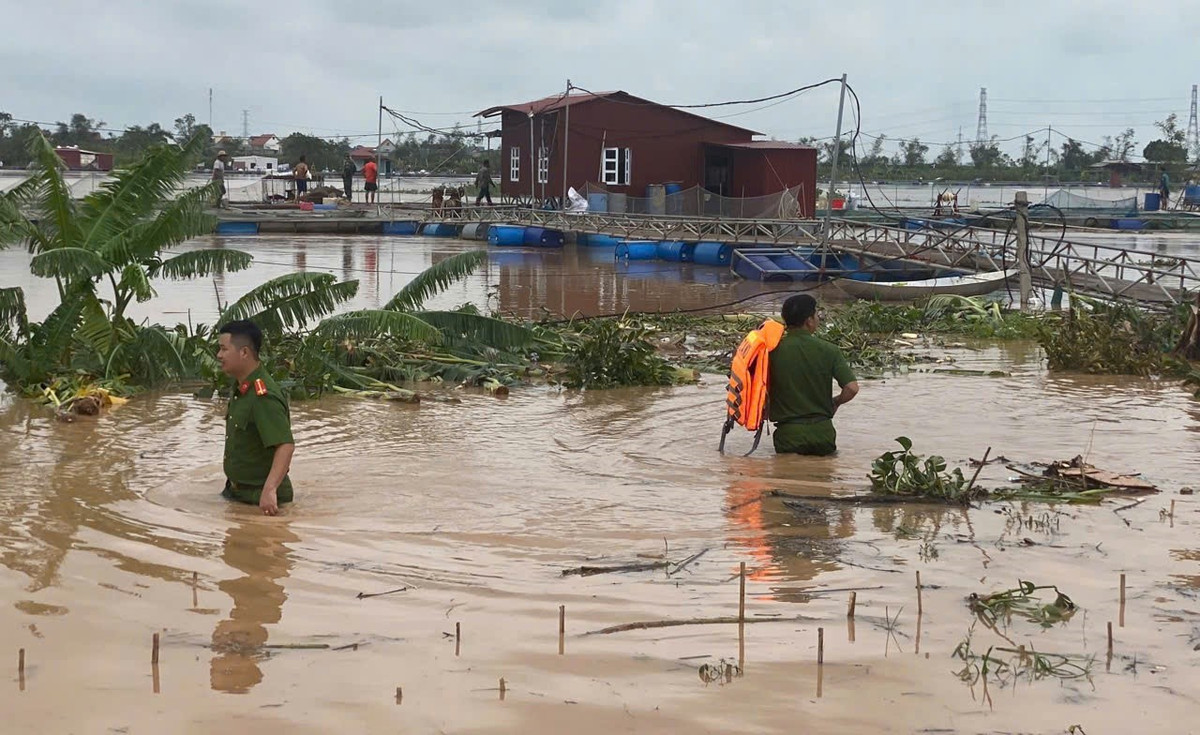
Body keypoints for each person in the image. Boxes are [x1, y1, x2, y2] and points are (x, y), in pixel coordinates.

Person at [217, 320, 295, 515]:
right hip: (237, 494)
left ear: (244, 352)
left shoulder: (263, 396)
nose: (219, 355)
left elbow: (285, 445)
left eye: (224, 349)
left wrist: (269, 490)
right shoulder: (241, 387)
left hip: (261, 501)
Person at [767, 294, 859, 455]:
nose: (818, 319)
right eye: (817, 315)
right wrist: (836, 402)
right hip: (823, 435)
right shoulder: (830, 350)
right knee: (823, 477)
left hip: (788, 436)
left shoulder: (771, 352)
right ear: (809, 320)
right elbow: (852, 388)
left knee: (785, 478)